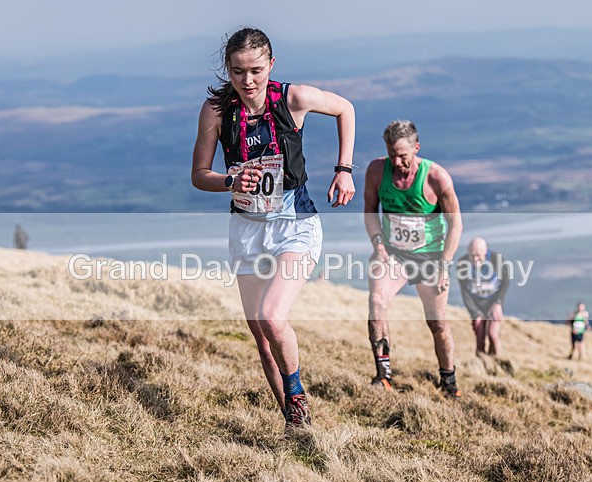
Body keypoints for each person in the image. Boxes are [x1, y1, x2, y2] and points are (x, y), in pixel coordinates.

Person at [191, 28, 356, 431]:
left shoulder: (293, 98)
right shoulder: (215, 110)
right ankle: (296, 426)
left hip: (295, 224)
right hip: (246, 228)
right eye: (237, 72)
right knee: (261, 339)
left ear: (272, 65)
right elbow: (199, 175)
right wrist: (230, 181)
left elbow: (345, 108)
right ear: (227, 70)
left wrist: (344, 170)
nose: (247, 81)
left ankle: (296, 394)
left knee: (272, 317)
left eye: (256, 71)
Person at [364, 120, 464, 397]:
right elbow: (370, 212)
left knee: (437, 323)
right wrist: (378, 244)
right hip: (393, 255)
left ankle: (449, 382)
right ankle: (383, 376)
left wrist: (444, 265)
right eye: (391, 154)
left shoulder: (436, 177)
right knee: (376, 303)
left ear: (416, 148)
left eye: (403, 155)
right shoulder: (375, 170)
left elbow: (456, 225)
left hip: (430, 257)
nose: (397, 162)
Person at [456, 237, 510, 358]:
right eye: (471, 255)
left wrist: (498, 303)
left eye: (478, 255)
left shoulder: (497, 260)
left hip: (493, 303)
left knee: (492, 335)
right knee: (480, 340)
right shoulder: (462, 264)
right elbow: (465, 292)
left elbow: (505, 282)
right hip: (476, 306)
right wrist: (475, 313)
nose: (475, 259)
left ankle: (495, 362)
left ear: (485, 251)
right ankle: (481, 366)